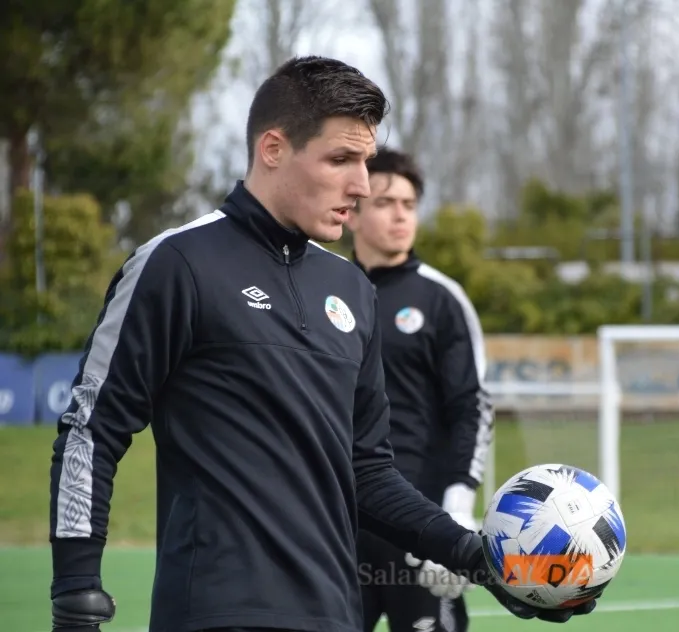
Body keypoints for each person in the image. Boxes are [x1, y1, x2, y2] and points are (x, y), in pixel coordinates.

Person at [47, 56, 597, 632]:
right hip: (217, 613)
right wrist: (76, 588)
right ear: (273, 148)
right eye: (341, 159)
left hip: (336, 615)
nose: (361, 184)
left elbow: (370, 474)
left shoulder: (351, 290)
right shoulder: (177, 264)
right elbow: (91, 429)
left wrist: (481, 560)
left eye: (365, 160)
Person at [346, 149, 492, 632]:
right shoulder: (327, 294)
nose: (401, 214)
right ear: (353, 211)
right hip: (339, 528)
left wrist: (457, 510)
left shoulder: (442, 299)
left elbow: (472, 409)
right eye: (386, 202)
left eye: (409, 204)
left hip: (421, 528)